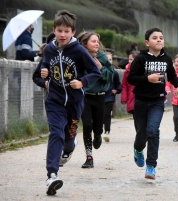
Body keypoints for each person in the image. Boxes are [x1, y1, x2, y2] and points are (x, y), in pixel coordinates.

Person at [40, 10, 101, 195]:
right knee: (56, 132)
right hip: (55, 101)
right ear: (54, 30)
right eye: (59, 30)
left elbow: (95, 72)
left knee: (68, 140)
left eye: (66, 31)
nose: (63, 34)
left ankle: (68, 149)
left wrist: (82, 82)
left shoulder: (79, 51)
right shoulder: (49, 49)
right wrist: (43, 72)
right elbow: (43, 66)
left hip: (75, 103)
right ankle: (52, 175)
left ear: (73, 32)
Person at [127, 28, 178, 180]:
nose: (159, 40)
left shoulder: (166, 59)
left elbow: (173, 76)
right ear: (147, 42)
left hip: (158, 101)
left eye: (161, 38)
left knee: (153, 131)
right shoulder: (141, 58)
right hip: (140, 101)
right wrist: (147, 79)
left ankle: (151, 165)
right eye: (155, 38)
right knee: (141, 134)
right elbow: (131, 78)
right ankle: (138, 150)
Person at [77, 30, 114, 169]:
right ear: (85, 44)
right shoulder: (79, 57)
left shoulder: (102, 57)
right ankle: (89, 157)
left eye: (98, 41)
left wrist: (101, 68)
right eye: (93, 41)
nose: (97, 44)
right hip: (84, 96)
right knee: (87, 125)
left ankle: (98, 136)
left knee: (97, 127)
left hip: (100, 97)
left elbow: (111, 75)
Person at [103, 52, 122, 142]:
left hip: (110, 96)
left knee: (107, 115)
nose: (108, 61)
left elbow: (118, 85)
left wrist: (117, 90)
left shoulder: (114, 73)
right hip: (99, 96)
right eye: (106, 59)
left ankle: (107, 131)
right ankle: (98, 132)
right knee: (99, 115)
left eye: (110, 59)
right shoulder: (97, 71)